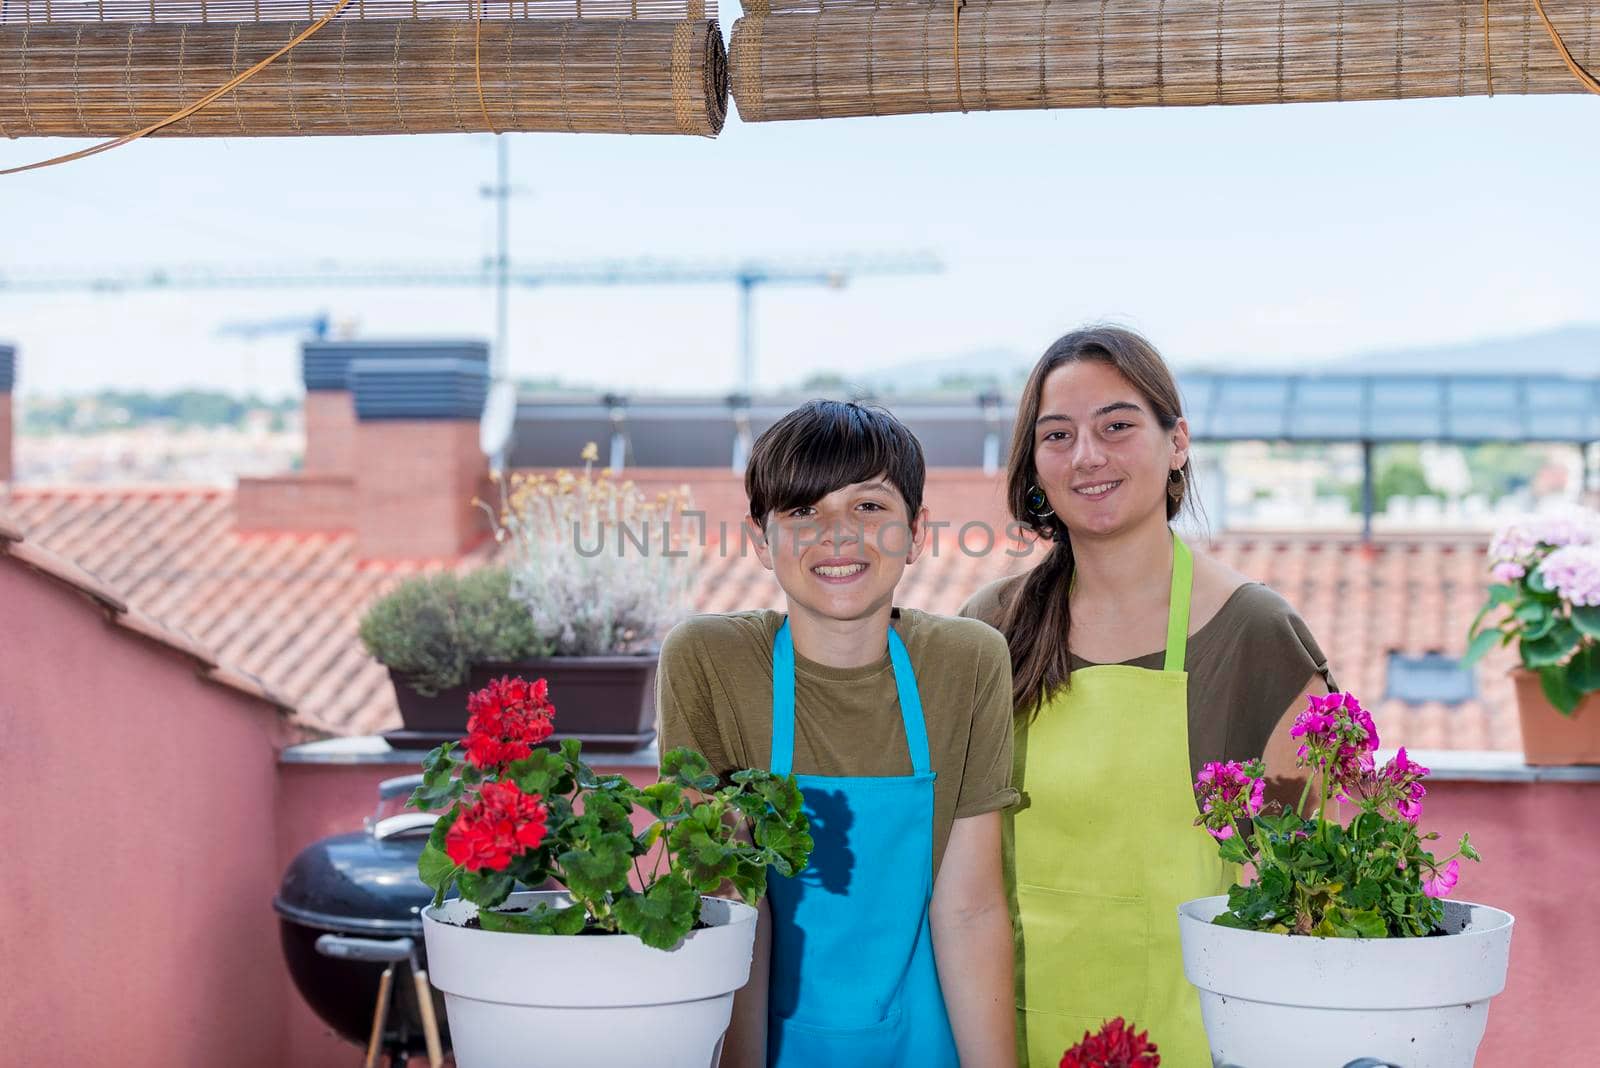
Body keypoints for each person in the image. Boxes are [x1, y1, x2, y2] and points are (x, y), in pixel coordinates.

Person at [959, 326, 1338, 1067]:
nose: (1087, 456)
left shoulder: (1253, 634)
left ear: (1178, 443)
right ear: (1034, 464)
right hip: (1011, 1037)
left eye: (1117, 426)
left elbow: (1302, 889)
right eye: (1058, 435)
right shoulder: (988, 631)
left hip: (1193, 1037)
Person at [658, 399, 1018, 1067]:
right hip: (766, 1044)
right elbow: (730, 904)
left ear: (917, 532)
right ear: (760, 540)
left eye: (869, 506)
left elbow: (969, 910)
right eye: (803, 510)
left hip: (925, 1045)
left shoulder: (968, 662)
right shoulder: (709, 661)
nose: (838, 535)